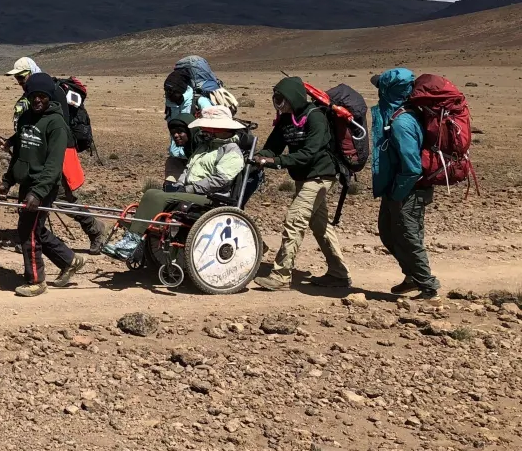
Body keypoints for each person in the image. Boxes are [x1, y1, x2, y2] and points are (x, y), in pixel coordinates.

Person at [101, 106, 248, 264]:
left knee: (155, 196)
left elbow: (219, 180)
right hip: (192, 192)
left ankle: (131, 243)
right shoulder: (206, 147)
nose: (204, 129)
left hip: (210, 198)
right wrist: (179, 184)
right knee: (152, 193)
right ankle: (132, 241)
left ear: (220, 127)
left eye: (207, 126)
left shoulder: (231, 151)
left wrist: (190, 188)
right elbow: (189, 169)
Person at [251, 77, 352, 290]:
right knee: (320, 226)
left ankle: (281, 275)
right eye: (276, 99)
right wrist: (259, 157)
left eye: (282, 99)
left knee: (295, 219)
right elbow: (273, 147)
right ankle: (339, 273)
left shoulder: (316, 118)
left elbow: (309, 154)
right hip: (303, 177)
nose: (279, 103)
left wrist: (274, 162)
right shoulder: (286, 120)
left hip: (320, 176)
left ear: (293, 97)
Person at [0, 57, 106, 251]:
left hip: (58, 151)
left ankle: (95, 230)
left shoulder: (52, 93)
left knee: (62, 198)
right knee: (42, 194)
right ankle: (32, 235)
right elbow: (33, 126)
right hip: (40, 149)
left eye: (22, 77)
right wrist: (13, 140)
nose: (20, 82)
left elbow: (55, 128)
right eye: (17, 79)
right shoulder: (34, 94)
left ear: (32, 72)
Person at [0, 73, 87, 295]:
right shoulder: (26, 118)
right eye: (33, 96)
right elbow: (20, 153)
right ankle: (69, 260)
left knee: (28, 232)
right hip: (28, 184)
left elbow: (54, 164)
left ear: (49, 98)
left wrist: (38, 192)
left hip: (44, 186)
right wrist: (7, 181)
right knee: (35, 229)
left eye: (42, 97)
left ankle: (36, 281)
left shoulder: (56, 124)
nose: (38, 100)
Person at [372, 69, 440, 299]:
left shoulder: (402, 123)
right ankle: (412, 276)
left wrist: (398, 194)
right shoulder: (400, 116)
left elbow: (412, 167)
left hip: (408, 191)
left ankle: (429, 287)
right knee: (389, 232)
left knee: (409, 237)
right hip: (399, 189)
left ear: (389, 91)